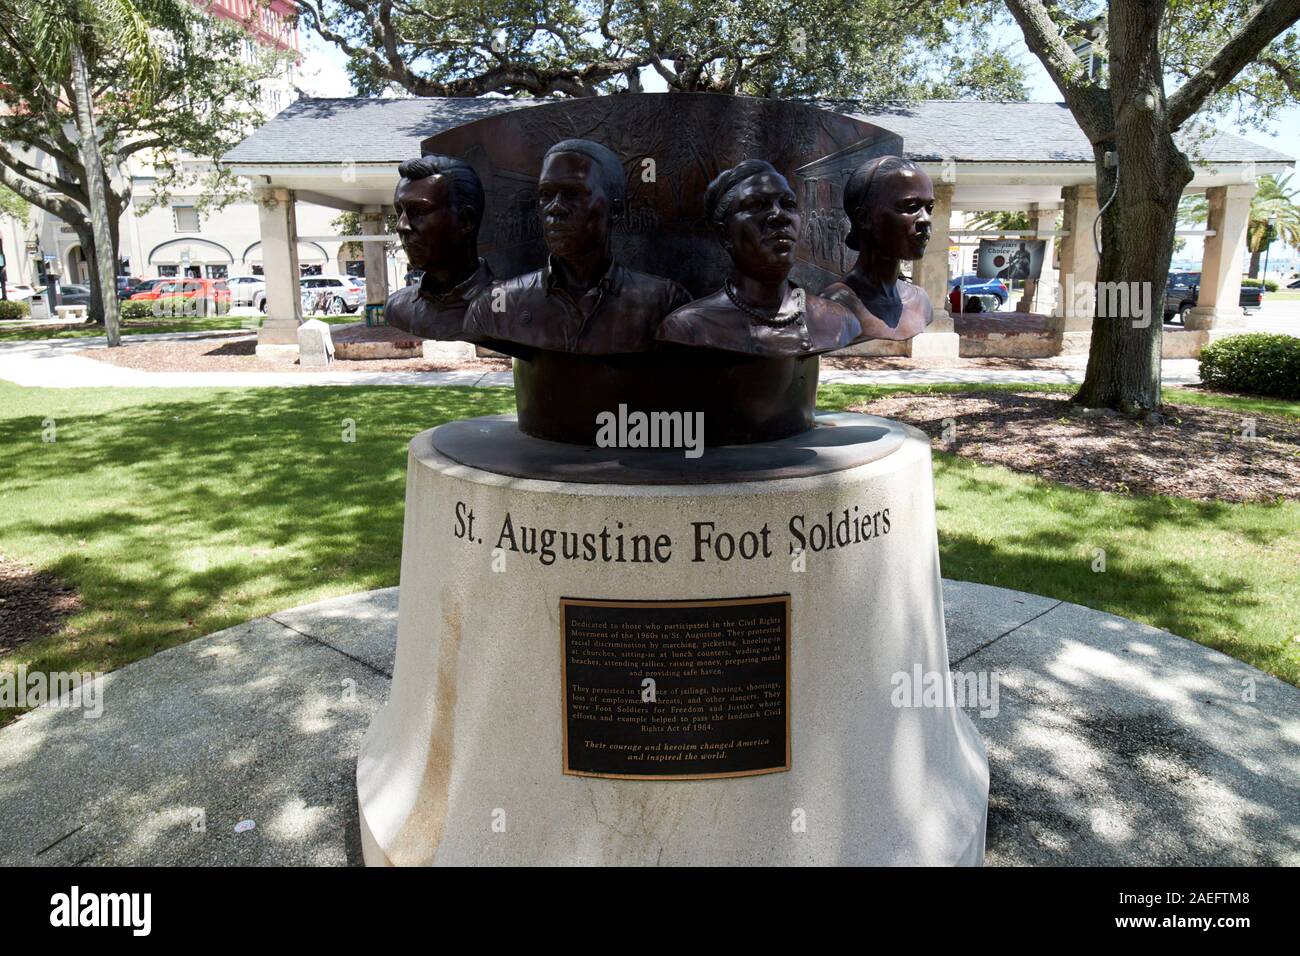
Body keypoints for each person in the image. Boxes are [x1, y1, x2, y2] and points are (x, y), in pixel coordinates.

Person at [459, 138, 689, 356]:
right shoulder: (491, 306)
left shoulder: (665, 303)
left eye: (573, 194)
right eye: (546, 195)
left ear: (616, 210)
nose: (555, 208)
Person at [656, 159, 859, 356]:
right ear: (725, 234)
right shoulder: (688, 328)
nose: (780, 216)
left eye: (788, 204)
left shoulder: (841, 321)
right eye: (756, 205)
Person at [821, 155, 936, 341]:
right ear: (864, 218)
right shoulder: (832, 306)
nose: (925, 219)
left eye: (929, 208)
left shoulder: (921, 302)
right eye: (911, 207)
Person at [384, 154, 494, 340]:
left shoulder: (511, 305)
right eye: (399, 212)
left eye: (418, 211)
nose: (401, 225)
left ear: (466, 220)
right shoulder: (398, 306)